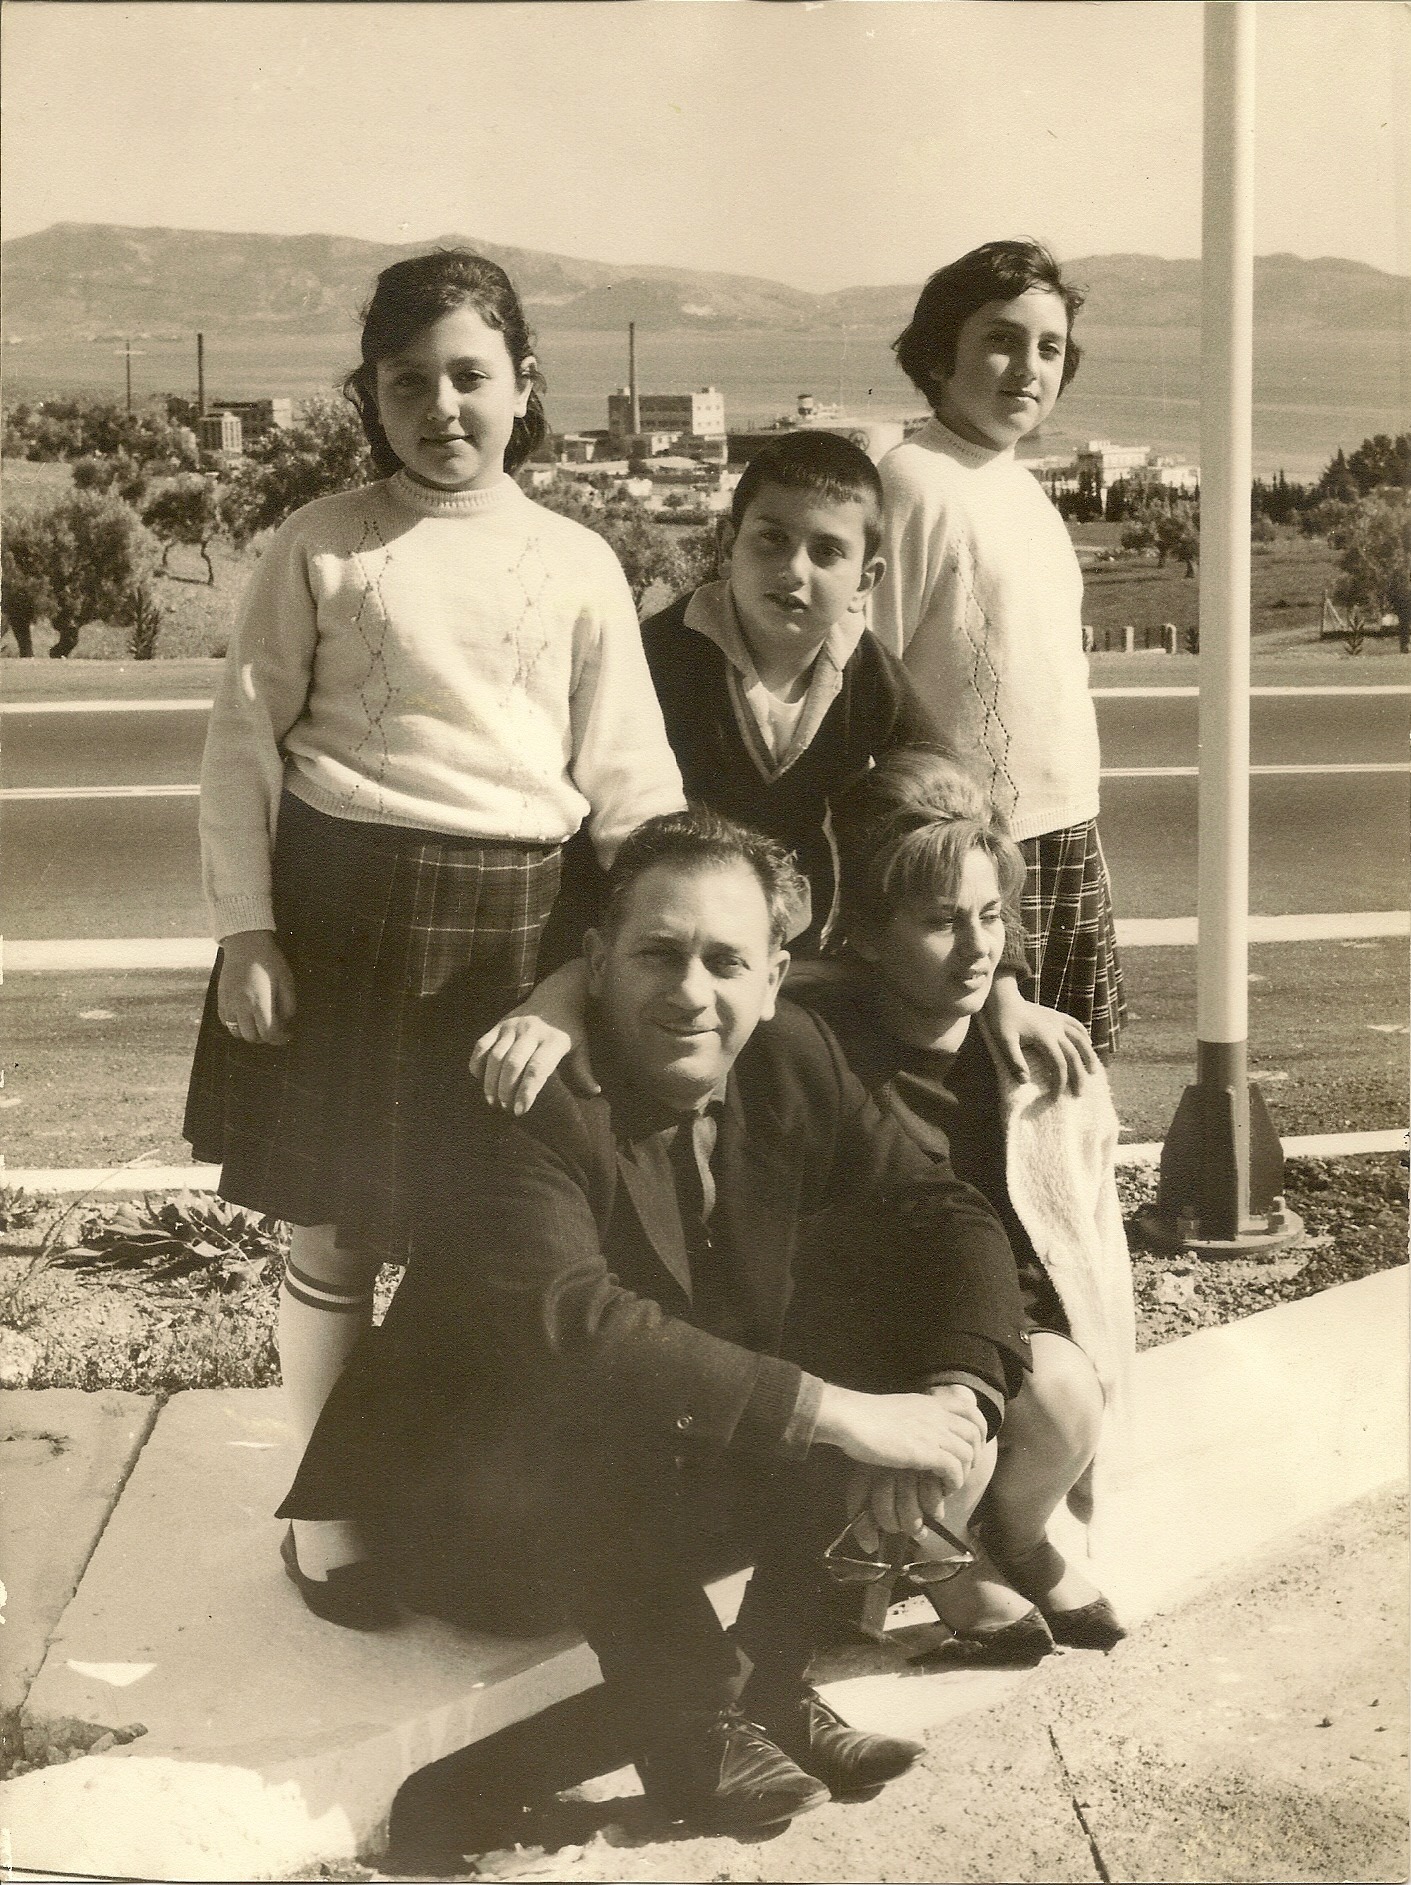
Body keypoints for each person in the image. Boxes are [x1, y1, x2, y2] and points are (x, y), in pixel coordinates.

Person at [280, 807, 1033, 1835]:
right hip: (490, 1517)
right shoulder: (526, 1088)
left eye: (725, 961)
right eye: (657, 954)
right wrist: (845, 1415)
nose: (690, 992)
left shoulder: (792, 1053)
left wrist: (952, 1399)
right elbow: (573, 1325)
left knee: (873, 1322)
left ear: (773, 978)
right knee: (633, 1379)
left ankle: (772, 1688)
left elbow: (943, 1213)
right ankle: (693, 1729)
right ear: (595, 962)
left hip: (663, 1488)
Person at [184, 249, 684, 1621]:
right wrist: (247, 933)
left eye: (470, 376)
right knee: (335, 1232)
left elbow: (631, 784)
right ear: (371, 396)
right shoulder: (323, 541)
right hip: (340, 925)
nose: (442, 407)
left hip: (517, 937)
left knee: (491, 1238)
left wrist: (629, 952)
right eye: (408, 382)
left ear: (525, 386)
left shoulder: (577, 562)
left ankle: (464, 1516)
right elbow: (241, 749)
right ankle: (329, 1520)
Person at [474, 429, 1097, 1114]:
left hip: (805, 962)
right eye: (771, 540)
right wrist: (564, 984)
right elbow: (582, 833)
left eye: (826, 551)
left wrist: (1004, 990)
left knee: (850, 1097)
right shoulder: (660, 657)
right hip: (675, 958)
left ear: (866, 581)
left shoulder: (864, 668)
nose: (793, 570)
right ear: (727, 544)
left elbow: (964, 822)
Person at [789, 748, 1136, 1659]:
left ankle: (1010, 1534)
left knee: (1064, 1393)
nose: (978, 947)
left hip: (989, 1327)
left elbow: (1073, 1250)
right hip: (870, 1338)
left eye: (989, 916)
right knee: (950, 1427)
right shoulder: (820, 1046)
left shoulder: (1019, 1058)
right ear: (867, 935)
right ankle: (928, 1560)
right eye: (941, 922)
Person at [869, 239, 1126, 1056]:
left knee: (1066, 1077)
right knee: (977, 1076)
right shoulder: (913, 479)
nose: (1027, 367)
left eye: (1048, 348)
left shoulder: (1020, 487)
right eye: (1001, 340)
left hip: (1063, 827)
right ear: (937, 355)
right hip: (967, 852)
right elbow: (867, 679)